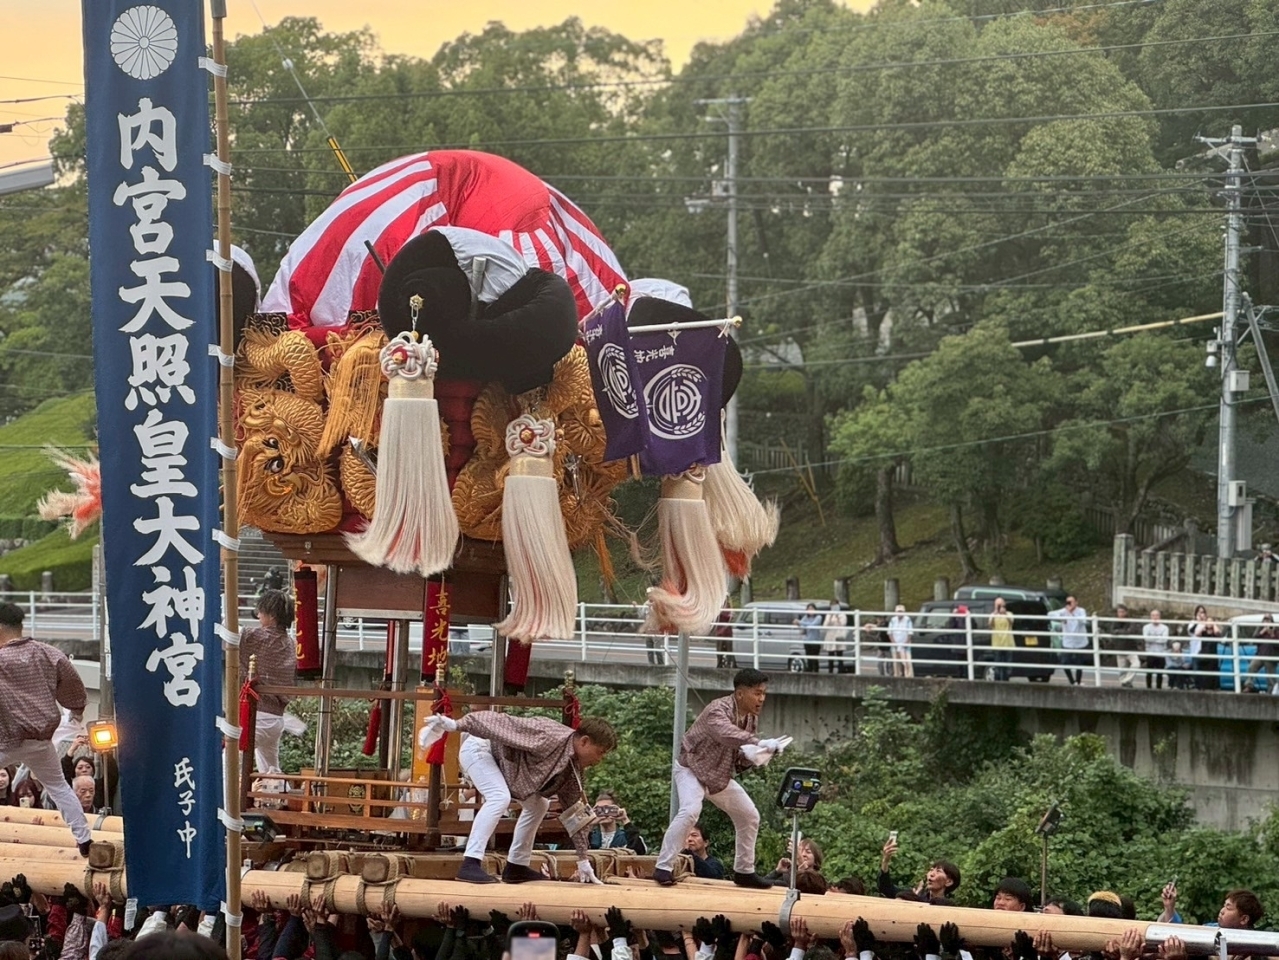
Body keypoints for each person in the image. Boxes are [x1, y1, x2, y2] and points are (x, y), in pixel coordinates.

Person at [418, 709, 617, 884]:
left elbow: (576, 815)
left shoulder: (573, 772)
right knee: (499, 797)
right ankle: (470, 863)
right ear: (584, 742)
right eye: (600, 752)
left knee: (539, 804)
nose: (600, 760)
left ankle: (516, 866)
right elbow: (500, 721)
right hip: (480, 750)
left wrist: (583, 860)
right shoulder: (549, 734)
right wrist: (456, 725)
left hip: (507, 768)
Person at [653, 667, 790, 889]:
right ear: (740, 694)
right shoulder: (717, 709)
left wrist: (757, 756)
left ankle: (744, 871)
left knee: (749, 815)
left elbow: (738, 755)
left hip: (718, 775)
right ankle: (663, 867)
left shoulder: (750, 718)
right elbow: (725, 733)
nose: (761, 698)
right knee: (690, 810)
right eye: (757, 693)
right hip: (691, 768)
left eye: (764, 693)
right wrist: (758, 743)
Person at [0, 601, 93, 855]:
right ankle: (84, 840)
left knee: (60, 787)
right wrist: (76, 711)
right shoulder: (48, 653)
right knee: (60, 788)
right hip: (41, 740)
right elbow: (75, 689)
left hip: (6, 739)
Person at [239, 589, 300, 774]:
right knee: (270, 769)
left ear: (272, 616)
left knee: (228, 760)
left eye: (261, 612)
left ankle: (228, 802)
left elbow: (228, 632)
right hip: (276, 720)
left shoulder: (257, 637)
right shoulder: (290, 643)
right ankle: (281, 798)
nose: (258, 615)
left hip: (257, 717)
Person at [878, 836, 961, 902]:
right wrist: (885, 860)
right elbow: (886, 888)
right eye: (931, 870)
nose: (931, 874)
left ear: (949, 882)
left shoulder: (949, 907)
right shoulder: (915, 896)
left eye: (938, 871)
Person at [1050, 595, 1089, 685]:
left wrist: (1072, 614)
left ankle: (1078, 682)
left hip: (1080, 641)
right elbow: (1050, 615)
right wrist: (1061, 617)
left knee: (1079, 663)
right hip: (1068, 641)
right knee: (1064, 662)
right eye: (1068, 602)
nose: (1069, 604)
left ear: (1076, 602)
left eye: (1071, 602)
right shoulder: (1063, 611)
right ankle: (1071, 681)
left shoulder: (1081, 611)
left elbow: (1083, 620)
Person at [1108, 604, 1142, 688]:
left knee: (1136, 664)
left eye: (1122, 612)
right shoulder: (1115, 622)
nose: (1121, 614)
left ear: (1126, 612)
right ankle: (1126, 683)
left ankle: (1126, 680)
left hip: (1131, 648)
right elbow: (1112, 631)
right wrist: (1121, 631)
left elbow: (1130, 631)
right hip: (1120, 648)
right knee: (1122, 670)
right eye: (1119, 612)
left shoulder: (1131, 621)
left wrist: (1118, 632)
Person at [988, 598, 1015, 682]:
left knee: (1008, 667)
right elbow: (990, 625)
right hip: (997, 644)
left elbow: (1012, 622)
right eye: (998, 605)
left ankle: (1007, 681)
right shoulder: (992, 615)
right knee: (998, 666)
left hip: (1008, 643)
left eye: (1001, 604)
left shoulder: (1009, 614)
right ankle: (997, 682)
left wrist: (1005, 614)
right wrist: (995, 614)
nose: (1000, 607)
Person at [1143, 610, 1170, 690]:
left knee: (1160, 673)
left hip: (1161, 653)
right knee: (1149, 673)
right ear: (1150, 617)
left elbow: (1164, 640)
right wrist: (1159, 638)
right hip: (1150, 652)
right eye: (1153, 615)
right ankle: (1148, 688)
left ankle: (1159, 688)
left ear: (1160, 616)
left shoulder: (1165, 628)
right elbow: (1146, 639)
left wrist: (1152, 638)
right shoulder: (1146, 627)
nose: (1155, 617)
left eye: (1157, 615)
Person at [822, 602, 851, 674]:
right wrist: (830, 617)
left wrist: (838, 617)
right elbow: (825, 625)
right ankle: (830, 670)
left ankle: (841, 669)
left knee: (839, 654)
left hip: (838, 635)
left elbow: (843, 624)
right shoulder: (828, 614)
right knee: (830, 654)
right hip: (830, 636)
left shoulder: (842, 614)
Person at [795, 604, 824, 673]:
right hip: (807, 641)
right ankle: (809, 672)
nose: (810, 610)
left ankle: (816, 672)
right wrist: (798, 624)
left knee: (815, 658)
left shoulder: (818, 617)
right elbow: (802, 627)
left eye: (812, 608)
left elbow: (813, 625)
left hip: (816, 641)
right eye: (809, 609)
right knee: (809, 658)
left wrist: (800, 622)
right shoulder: (805, 617)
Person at [887, 605, 914, 678]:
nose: (899, 613)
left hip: (905, 644)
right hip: (895, 643)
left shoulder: (908, 619)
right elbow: (890, 633)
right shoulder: (893, 620)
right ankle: (897, 676)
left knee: (908, 662)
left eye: (901, 611)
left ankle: (908, 676)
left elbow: (910, 633)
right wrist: (894, 643)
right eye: (898, 611)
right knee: (896, 663)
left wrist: (906, 642)